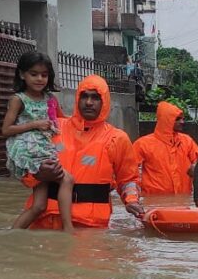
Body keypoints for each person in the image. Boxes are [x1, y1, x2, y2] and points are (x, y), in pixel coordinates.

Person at [22, 74, 144, 229]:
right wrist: (36, 174)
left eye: (95, 98)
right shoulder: (53, 128)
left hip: (89, 225)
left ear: (105, 102)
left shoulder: (117, 139)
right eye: (84, 96)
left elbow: (128, 179)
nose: (88, 102)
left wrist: (131, 200)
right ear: (77, 99)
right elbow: (23, 165)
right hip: (43, 220)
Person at [1, 51, 76, 232]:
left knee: (39, 206)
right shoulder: (18, 99)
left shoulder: (50, 99)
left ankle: (11, 235)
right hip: (27, 150)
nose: (39, 79)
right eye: (33, 74)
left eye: (44, 75)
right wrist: (34, 124)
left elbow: (63, 119)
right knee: (67, 179)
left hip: (44, 149)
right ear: (22, 74)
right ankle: (68, 229)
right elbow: (5, 130)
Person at [133, 100, 198, 195]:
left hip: (183, 200)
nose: (182, 122)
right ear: (166, 120)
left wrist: (196, 166)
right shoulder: (143, 144)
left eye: (182, 118)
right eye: (177, 119)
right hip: (154, 202)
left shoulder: (187, 141)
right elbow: (128, 172)